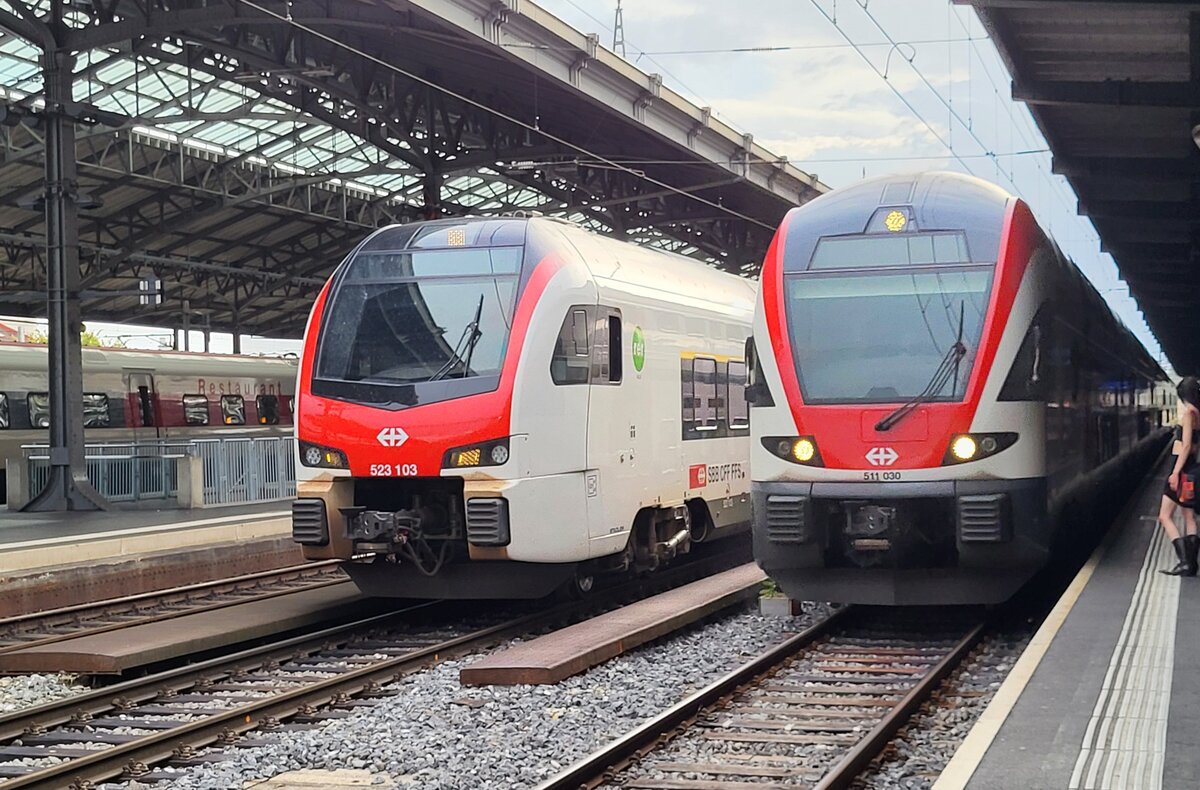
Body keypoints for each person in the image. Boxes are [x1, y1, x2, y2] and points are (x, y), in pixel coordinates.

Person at [1160, 376, 1200, 576]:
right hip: (1192, 467)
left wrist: (1176, 472)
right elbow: (1195, 446)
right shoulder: (1198, 414)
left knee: (1164, 516)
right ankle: (1192, 565)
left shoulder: (1189, 414)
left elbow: (1185, 445)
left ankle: (1184, 561)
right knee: (1188, 515)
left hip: (1182, 468)